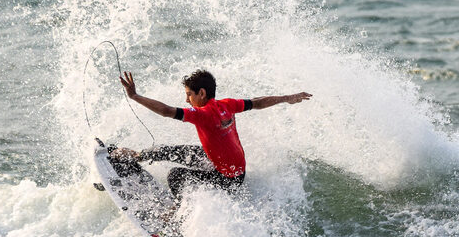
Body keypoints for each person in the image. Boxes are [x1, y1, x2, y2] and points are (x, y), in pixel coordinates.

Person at [113, 69, 311, 199]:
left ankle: (179, 217)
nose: (187, 99)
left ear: (201, 93)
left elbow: (166, 111)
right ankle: (137, 157)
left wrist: (135, 96)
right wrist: (287, 98)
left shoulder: (202, 114)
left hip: (228, 180)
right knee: (168, 151)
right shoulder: (227, 104)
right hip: (227, 168)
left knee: (175, 176)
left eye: (189, 94)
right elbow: (257, 102)